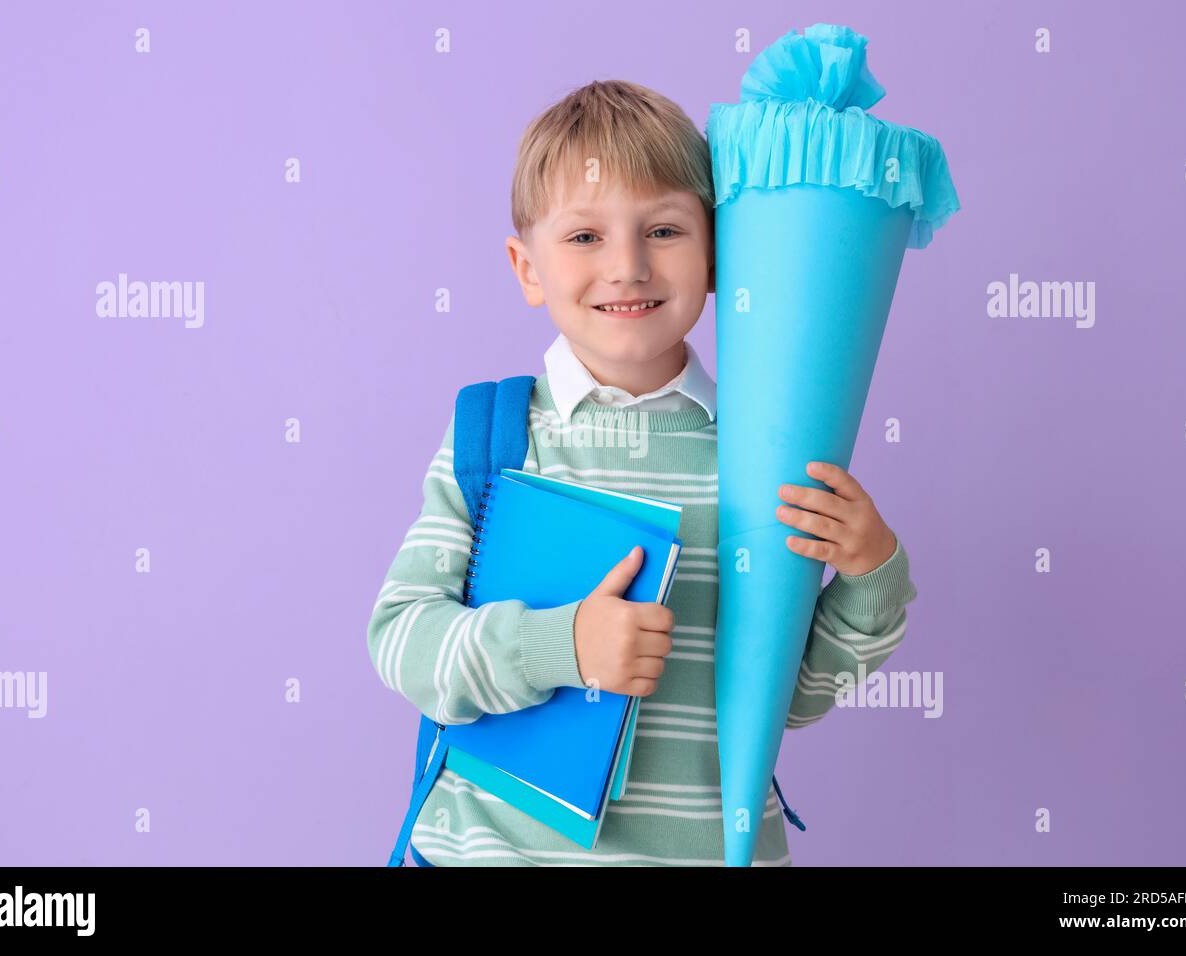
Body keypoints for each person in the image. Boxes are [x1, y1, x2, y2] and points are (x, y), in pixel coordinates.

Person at [367, 78, 918, 866]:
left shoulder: (762, 458)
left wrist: (869, 580)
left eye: (663, 230)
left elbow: (785, 700)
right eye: (585, 237)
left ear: (720, 253)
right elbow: (402, 642)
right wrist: (559, 647)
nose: (627, 267)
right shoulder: (493, 438)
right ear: (527, 268)